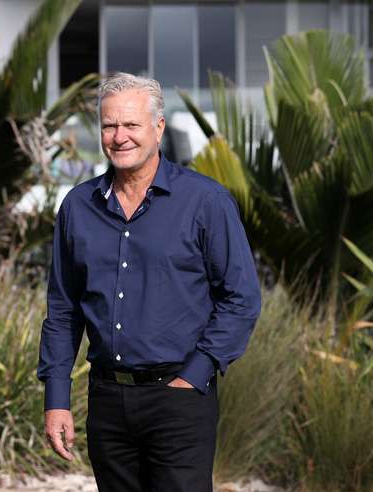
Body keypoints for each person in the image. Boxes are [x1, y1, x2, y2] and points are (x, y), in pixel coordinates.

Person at [37, 72, 261, 492]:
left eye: (131, 125)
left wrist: (195, 373)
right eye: (109, 125)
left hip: (179, 401)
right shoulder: (78, 208)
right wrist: (56, 398)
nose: (119, 136)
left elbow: (241, 298)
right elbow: (63, 309)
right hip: (107, 401)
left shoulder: (206, 202)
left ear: (158, 128)